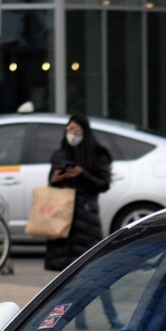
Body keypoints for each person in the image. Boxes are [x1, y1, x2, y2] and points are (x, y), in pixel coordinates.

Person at [44, 114, 114, 270]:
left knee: (88, 265)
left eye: (76, 130)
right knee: (63, 269)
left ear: (85, 132)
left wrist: (82, 174)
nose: (72, 133)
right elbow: (51, 183)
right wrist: (55, 179)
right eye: (69, 129)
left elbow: (103, 184)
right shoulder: (60, 154)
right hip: (62, 214)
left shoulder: (97, 155)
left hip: (86, 216)